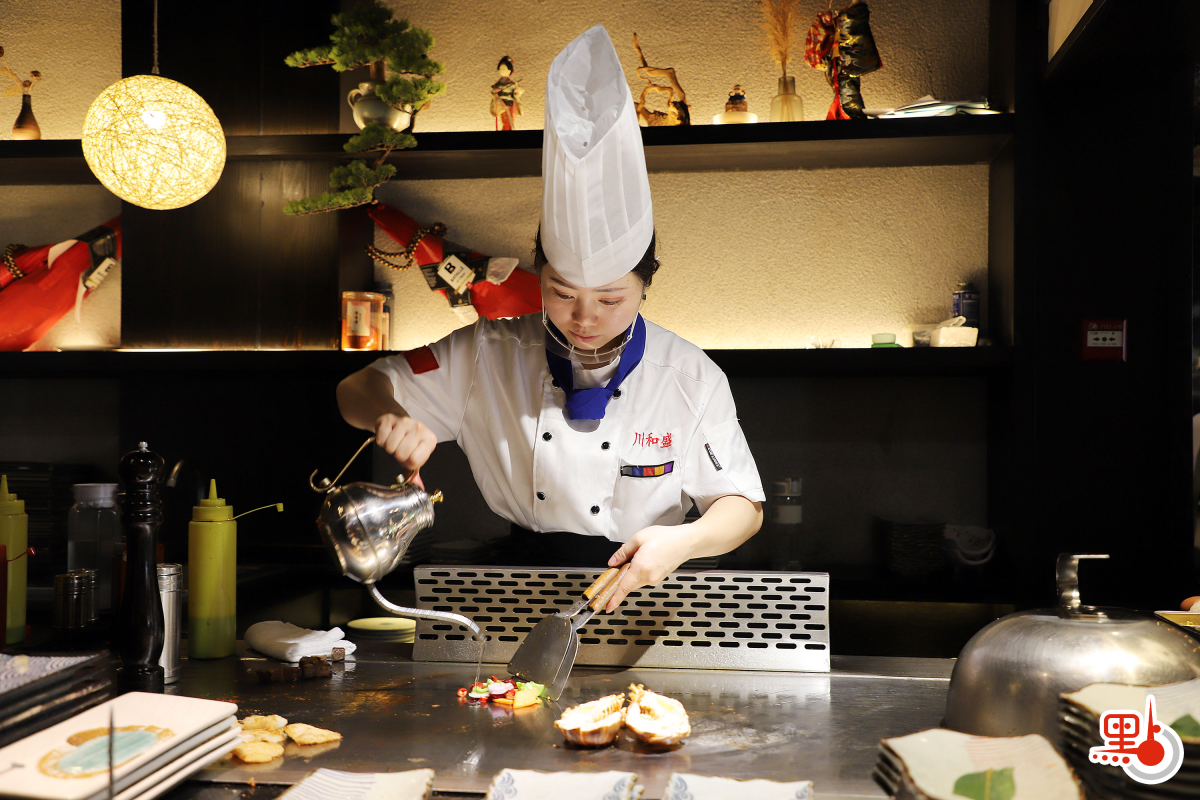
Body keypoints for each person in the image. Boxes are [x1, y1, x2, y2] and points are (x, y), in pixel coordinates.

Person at [337, 25, 764, 611]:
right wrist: (389, 414)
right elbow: (355, 389)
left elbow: (741, 507)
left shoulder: (690, 377)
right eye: (562, 293)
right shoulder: (486, 353)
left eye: (610, 300)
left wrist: (684, 542)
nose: (584, 318)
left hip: (644, 590)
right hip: (514, 590)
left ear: (645, 286)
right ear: (539, 275)